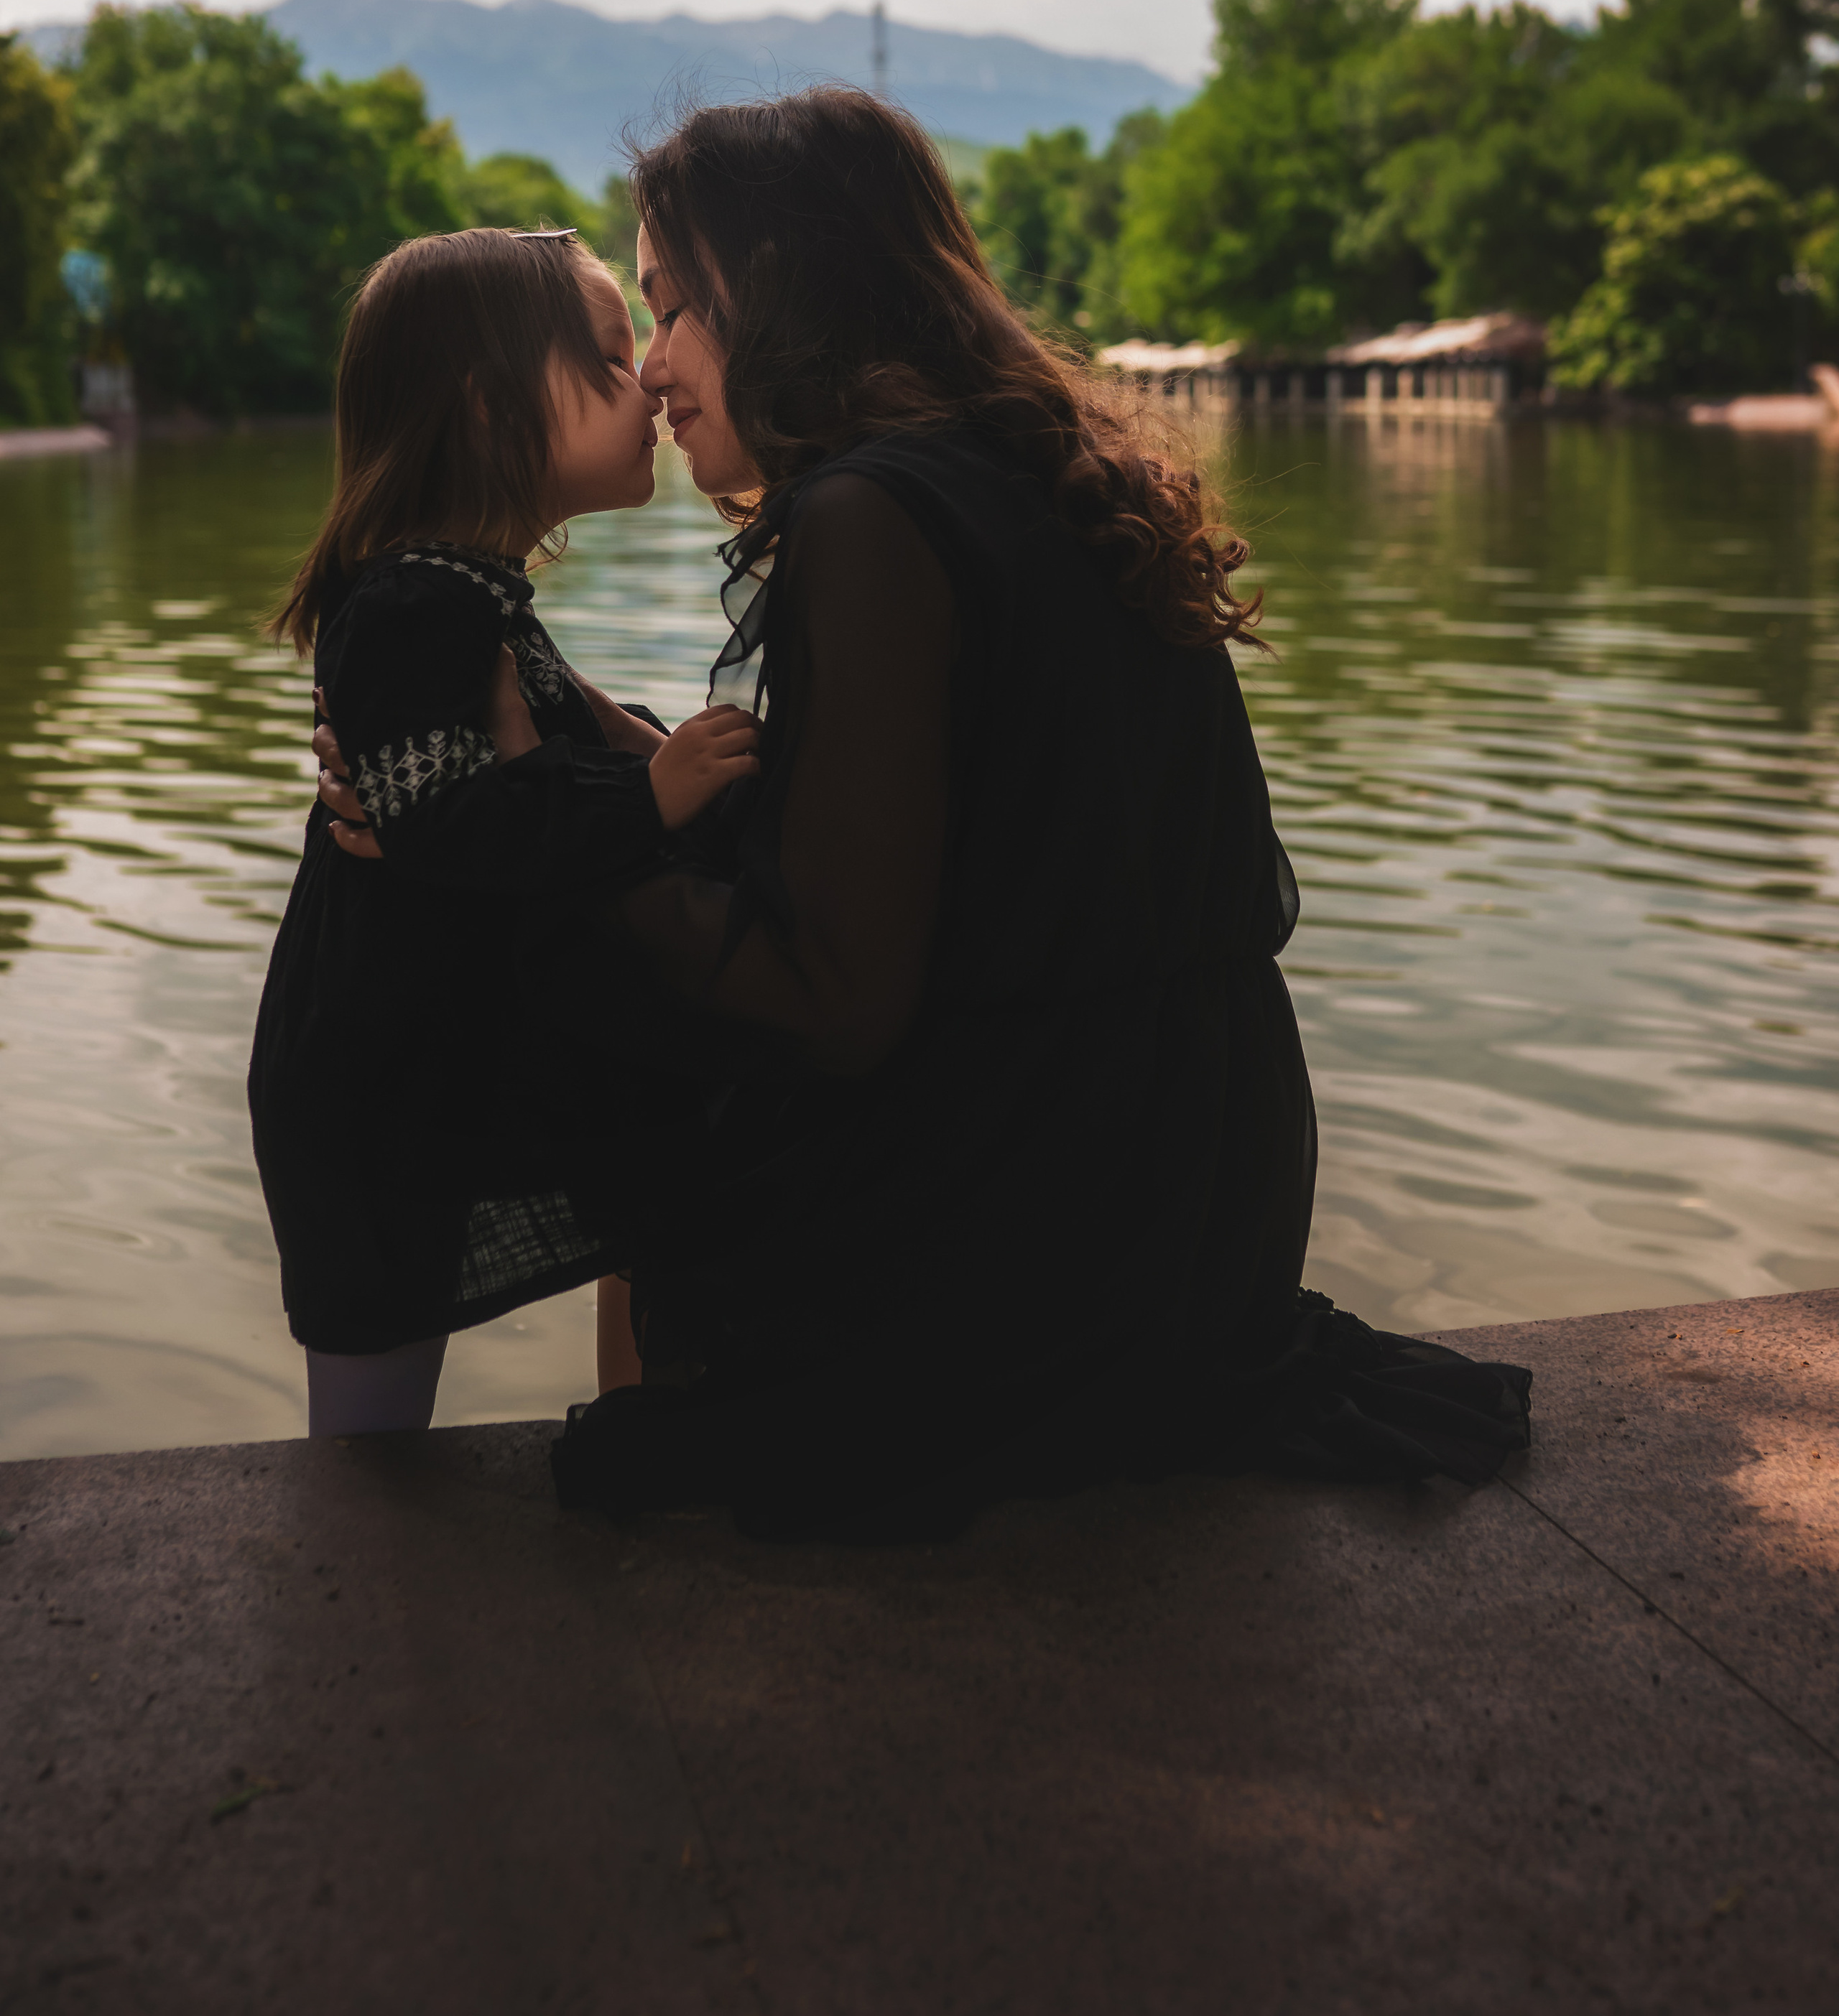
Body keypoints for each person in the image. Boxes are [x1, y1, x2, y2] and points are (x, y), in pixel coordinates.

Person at [318, 95, 1532, 1535]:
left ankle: (523, 1388)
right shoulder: (1024, 466)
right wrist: (605, 762)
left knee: (642, 1054)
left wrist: (553, 860)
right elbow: (946, 844)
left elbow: (829, 992)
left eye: (667, 311)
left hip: (1043, 1243)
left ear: (772, 294)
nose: (649, 373)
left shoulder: (868, 518)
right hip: (1196, 1182)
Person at [251, 225, 758, 1439]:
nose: (643, 379)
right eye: (604, 353)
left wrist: (640, 748)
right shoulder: (410, 604)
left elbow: (527, 760)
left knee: (656, 1192)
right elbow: (440, 826)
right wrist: (650, 791)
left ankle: (643, 1437)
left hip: (459, 1054)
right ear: (486, 412)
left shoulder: (470, 592)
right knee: (370, 1426)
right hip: (389, 1084)